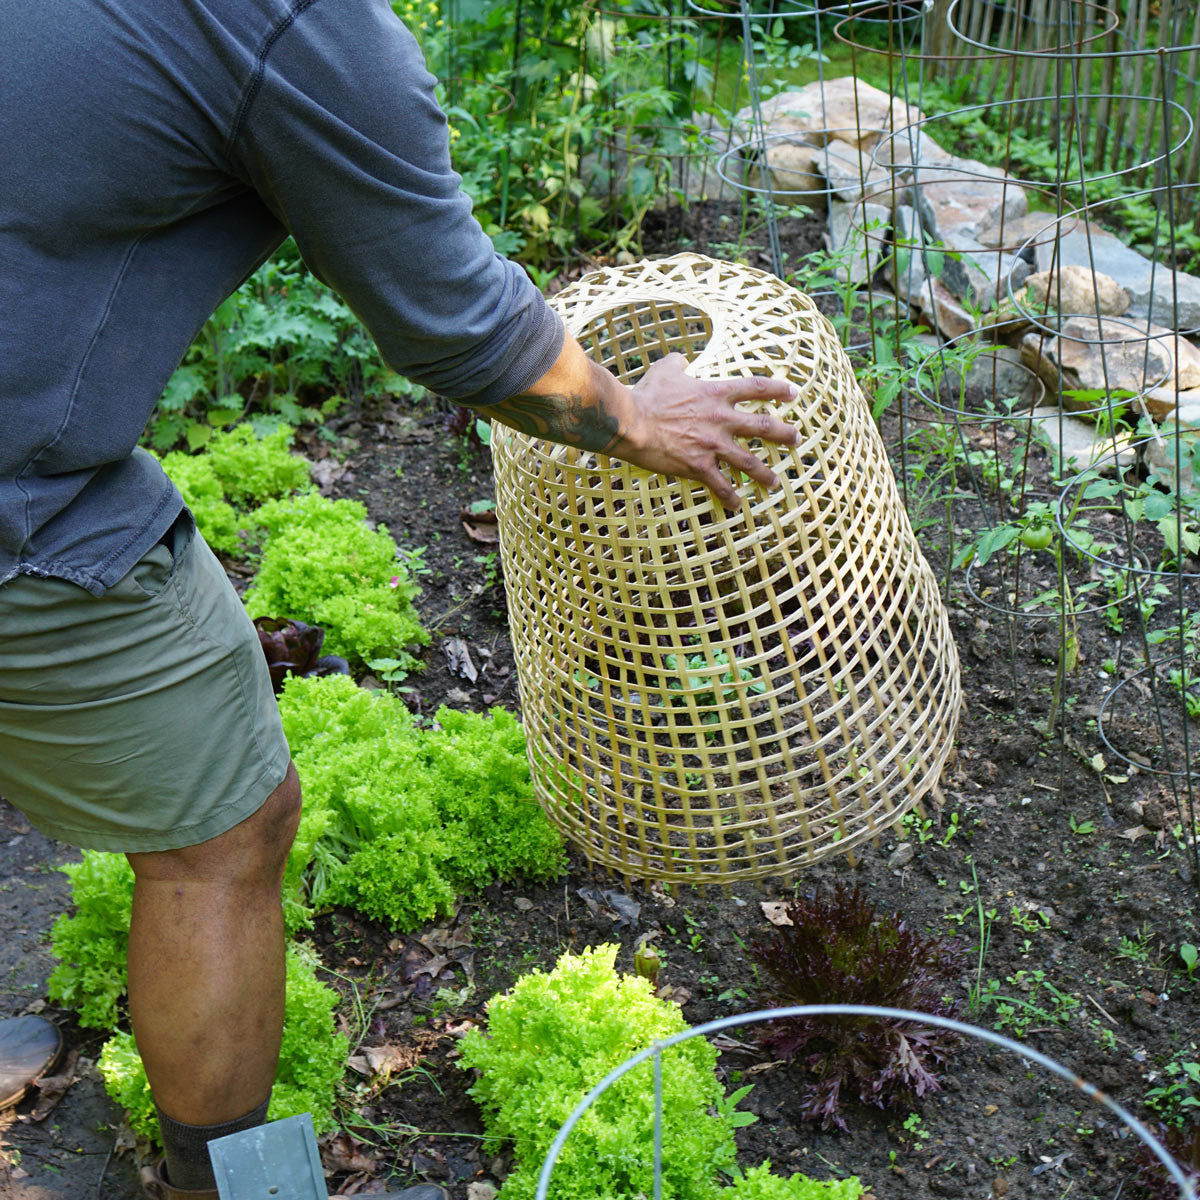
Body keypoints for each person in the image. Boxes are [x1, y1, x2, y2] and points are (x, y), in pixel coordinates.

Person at [0, 1, 800, 1196]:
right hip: (18, 503)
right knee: (226, 834)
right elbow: (462, 327)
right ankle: (229, 1190)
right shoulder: (302, 28)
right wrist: (637, 416)